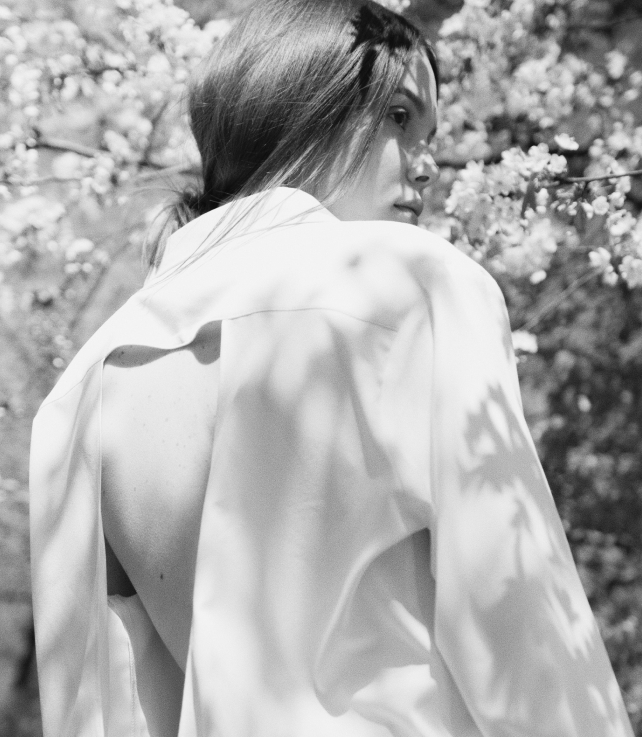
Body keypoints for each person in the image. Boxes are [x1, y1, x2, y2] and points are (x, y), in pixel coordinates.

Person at [29, 1, 634, 736]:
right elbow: (523, 622)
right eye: (399, 118)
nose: (425, 165)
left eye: (429, 136)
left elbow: (99, 702)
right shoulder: (405, 283)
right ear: (301, 110)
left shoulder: (85, 384)